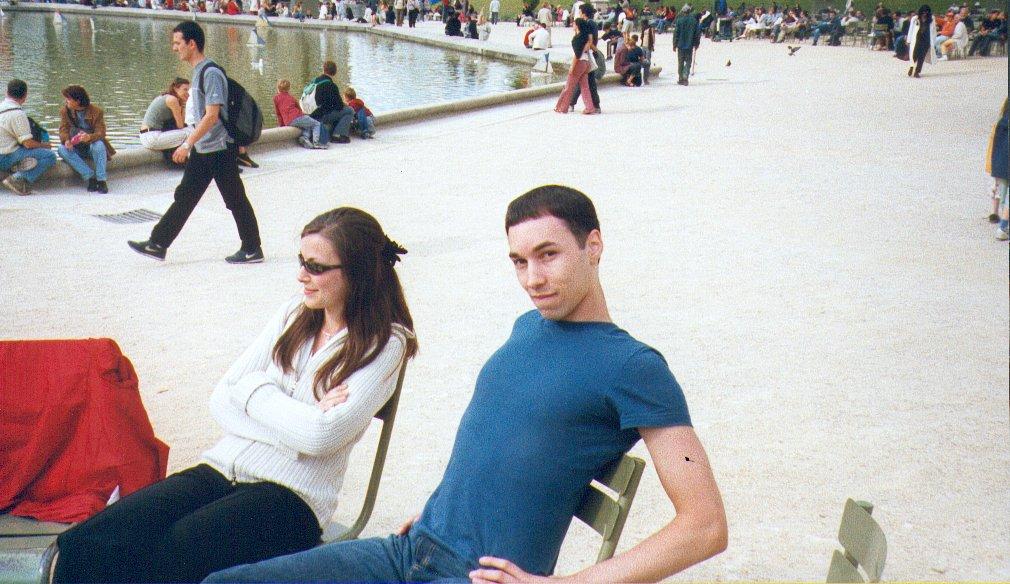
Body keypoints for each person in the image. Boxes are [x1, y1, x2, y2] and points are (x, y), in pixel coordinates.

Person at [205, 185, 728, 584]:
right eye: (519, 261)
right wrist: (444, 510)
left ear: (593, 246)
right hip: (409, 551)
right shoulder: (527, 329)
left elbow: (705, 526)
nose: (532, 279)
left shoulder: (634, 366)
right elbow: (502, 444)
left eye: (548, 254)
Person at [56, 207, 418, 583]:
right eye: (301, 261)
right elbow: (221, 400)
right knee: (91, 541)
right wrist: (299, 417)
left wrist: (254, 392)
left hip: (292, 498)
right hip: (222, 467)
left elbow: (320, 437)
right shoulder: (294, 314)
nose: (301, 275)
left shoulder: (386, 343)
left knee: (174, 552)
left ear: (357, 272)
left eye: (315, 267)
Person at [128, 21, 263, 264]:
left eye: (177, 43)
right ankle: (157, 244)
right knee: (186, 196)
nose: (174, 48)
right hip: (206, 148)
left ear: (192, 44)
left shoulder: (210, 73)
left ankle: (252, 248)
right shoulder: (199, 71)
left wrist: (186, 144)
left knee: (234, 199)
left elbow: (212, 115)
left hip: (219, 148)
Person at [0, 79, 56, 197]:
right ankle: (17, 179)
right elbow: (28, 143)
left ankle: (16, 167)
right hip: (5, 156)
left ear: (7, 92)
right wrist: (45, 145)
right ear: (25, 96)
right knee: (49, 156)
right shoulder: (17, 113)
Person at [56, 85, 115, 194]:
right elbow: (63, 129)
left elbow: (101, 132)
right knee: (61, 149)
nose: (66, 101)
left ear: (77, 101)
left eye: (68, 99)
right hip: (76, 147)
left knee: (99, 145)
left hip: (91, 147)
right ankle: (89, 177)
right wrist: (66, 140)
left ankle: (101, 180)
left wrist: (89, 137)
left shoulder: (96, 111)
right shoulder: (65, 111)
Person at [140, 77, 194, 161]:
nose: (188, 93)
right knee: (191, 132)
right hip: (151, 137)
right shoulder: (172, 100)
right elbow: (180, 126)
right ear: (175, 88)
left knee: (190, 130)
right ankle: (191, 162)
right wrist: (183, 105)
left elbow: (181, 124)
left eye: (188, 90)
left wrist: (183, 103)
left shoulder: (167, 97)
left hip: (148, 136)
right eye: (185, 90)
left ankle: (187, 160)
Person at [554, 12, 597, 114]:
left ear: (577, 26)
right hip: (586, 63)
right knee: (585, 87)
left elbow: (577, 55)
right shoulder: (586, 38)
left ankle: (562, 107)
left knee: (568, 87)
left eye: (574, 23)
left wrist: (572, 67)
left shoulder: (577, 39)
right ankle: (590, 107)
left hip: (579, 63)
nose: (572, 25)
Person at [307, 61, 355, 145]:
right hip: (322, 116)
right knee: (350, 110)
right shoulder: (331, 85)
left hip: (311, 114)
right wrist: (345, 104)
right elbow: (339, 106)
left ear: (323, 69)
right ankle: (338, 135)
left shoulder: (314, 81)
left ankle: (335, 131)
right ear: (334, 72)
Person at [274, 79, 324, 149]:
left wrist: (282, 125)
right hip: (297, 117)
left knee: (307, 125)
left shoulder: (276, 98)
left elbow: (278, 114)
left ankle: (305, 138)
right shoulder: (291, 98)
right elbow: (300, 110)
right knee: (316, 124)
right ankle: (316, 143)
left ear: (278, 88)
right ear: (288, 88)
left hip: (287, 121)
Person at [987, 99, 1008, 239]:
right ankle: (1004, 225)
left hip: (1000, 161)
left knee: (1000, 186)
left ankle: (996, 213)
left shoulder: (1001, 122)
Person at [907, 5, 936, 78]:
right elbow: (911, 29)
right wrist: (909, 40)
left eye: (926, 12)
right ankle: (912, 66)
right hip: (916, 39)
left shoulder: (931, 19)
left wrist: (933, 42)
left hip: (926, 40)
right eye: (923, 12)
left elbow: (933, 30)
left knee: (921, 57)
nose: (924, 14)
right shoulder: (915, 19)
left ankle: (917, 71)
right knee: (914, 55)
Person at [674, 4, 700, 85]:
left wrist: (674, 44)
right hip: (689, 44)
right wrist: (697, 44)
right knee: (688, 62)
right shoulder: (694, 21)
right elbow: (697, 33)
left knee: (680, 62)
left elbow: (676, 33)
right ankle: (685, 76)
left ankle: (680, 77)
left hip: (680, 44)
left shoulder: (679, 21)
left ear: (683, 12)